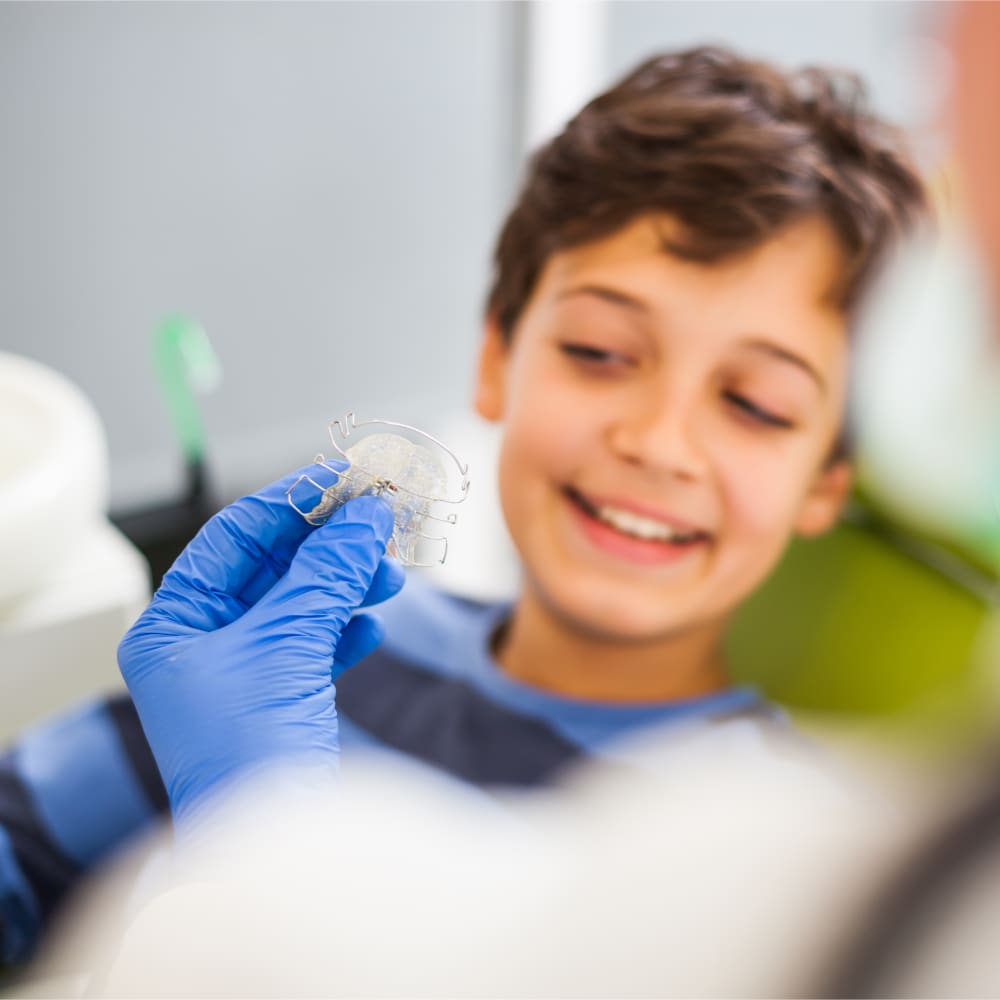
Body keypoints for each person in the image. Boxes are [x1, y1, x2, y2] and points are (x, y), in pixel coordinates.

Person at [0, 45, 926, 968]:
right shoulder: (313, 660)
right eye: (601, 351)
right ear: (494, 362)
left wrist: (258, 840)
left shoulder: (809, 868)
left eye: (756, 405)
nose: (656, 442)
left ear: (827, 482)